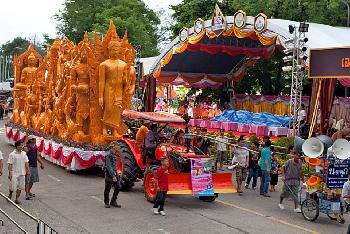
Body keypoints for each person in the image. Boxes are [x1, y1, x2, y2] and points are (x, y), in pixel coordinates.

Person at [278, 147, 304, 213]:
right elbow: (283, 168)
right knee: (284, 193)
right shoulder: (289, 161)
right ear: (294, 155)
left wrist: (303, 180)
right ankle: (280, 203)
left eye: (298, 155)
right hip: (288, 180)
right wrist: (283, 176)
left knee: (295, 194)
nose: (297, 156)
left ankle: (296, 208)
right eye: (296, 155)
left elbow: (301, 171)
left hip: (296, 180)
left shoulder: (300, 162)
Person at [8, 140, 30, 204]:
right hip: (14, 173)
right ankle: (10, 193)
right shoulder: (12, 154)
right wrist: (10, 173)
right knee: (12, 187)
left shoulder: (24, 153)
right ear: (17, 146)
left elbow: (26, 162)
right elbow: (10, 164)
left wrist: (28, 170)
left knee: (20, 187)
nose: (22, 146)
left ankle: (17, 198)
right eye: (21, 145)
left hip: (22, 173)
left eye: (22, 145)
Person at [24, 136, 44, 200]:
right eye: (33, 139)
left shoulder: (35, 147)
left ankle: (29, 191)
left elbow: (37, 156)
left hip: (34, 165)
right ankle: (27, 194)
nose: (35, 140)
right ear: (30, 140)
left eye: (35, 139)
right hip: (28, 166)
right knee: (27, 181)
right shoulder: (26, 147)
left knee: (32, 181)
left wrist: (41, 163)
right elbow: (23, 157)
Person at [104, 142, 121, 208]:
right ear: (113, 146)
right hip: (109, 173)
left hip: (114, 172)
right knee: (107, 189)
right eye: (117, 145)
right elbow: (109, 166)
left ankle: (113, 201)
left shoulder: (114, 154)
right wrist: (113, 176)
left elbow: (114, 166)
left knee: (118, 187)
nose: (119, 147)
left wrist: (116, 174)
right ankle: (106, 202)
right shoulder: (108, 154)